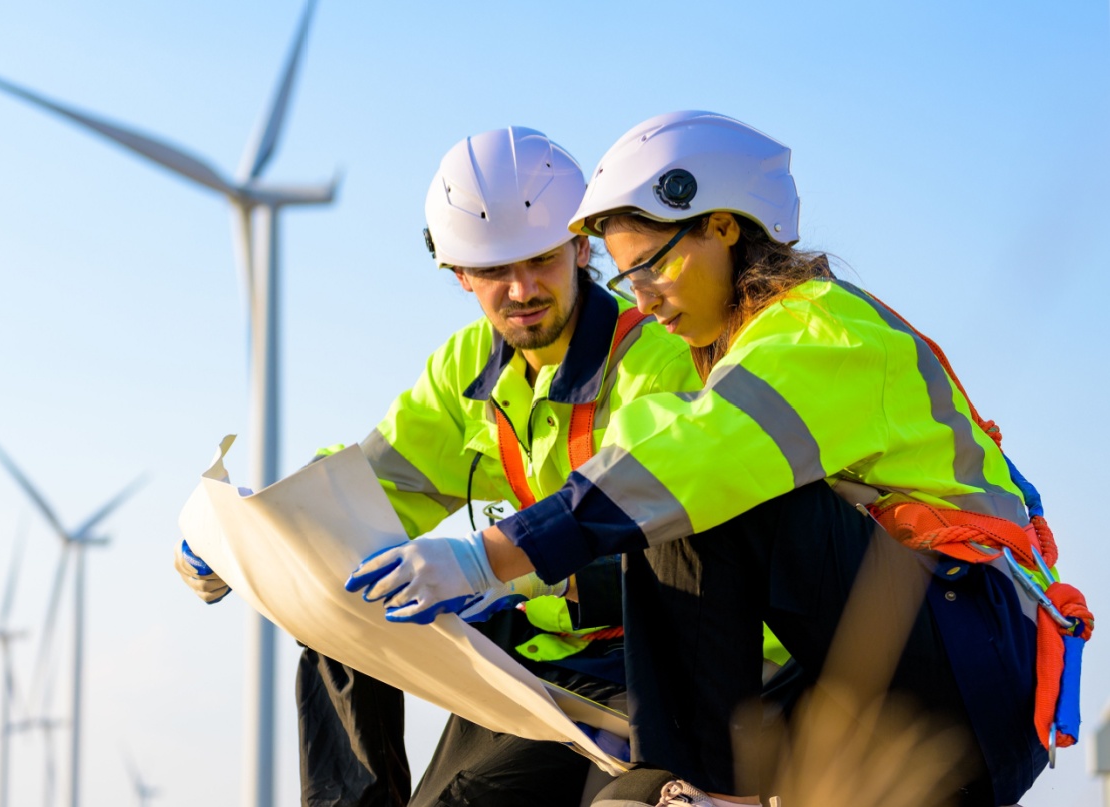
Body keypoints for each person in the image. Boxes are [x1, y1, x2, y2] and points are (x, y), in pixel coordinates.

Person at [347, 111, 1083, 807]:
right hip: (880, 668)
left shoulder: (820, 333)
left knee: (684, 491)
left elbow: (688, 462)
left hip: (975, 670)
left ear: (722, 228)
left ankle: (706, 784)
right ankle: (685, 781)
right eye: (626, 278)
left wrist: (488, 556)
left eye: (651, 269)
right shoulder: (739, 350)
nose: (643, 297)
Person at [177, 126, 704, 806]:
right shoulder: (464, 371)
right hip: (548, 660)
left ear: (582, 247)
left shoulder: (657, 360)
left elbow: (678, 544)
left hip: (662, 661)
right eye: (492, 270)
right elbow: (366, 493)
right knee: (345, 588)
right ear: (459, 275)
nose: (521, 289)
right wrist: (246, 535)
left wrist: (496, 571)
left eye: (541, 259)